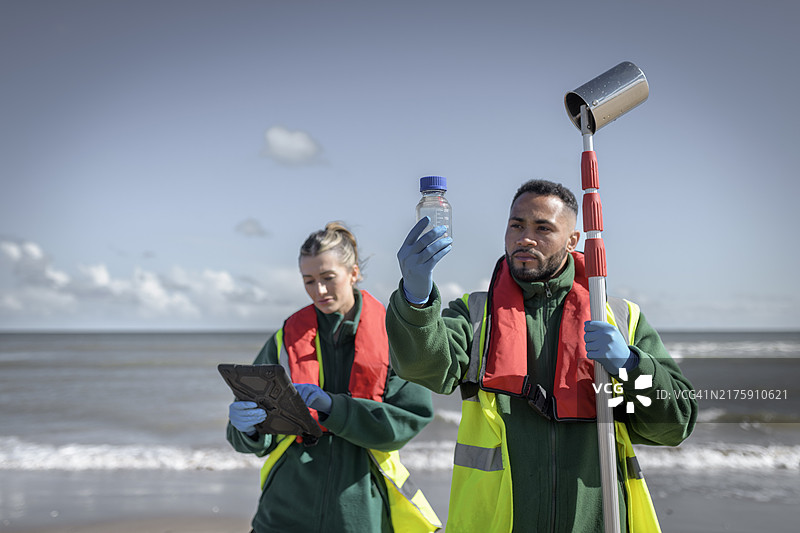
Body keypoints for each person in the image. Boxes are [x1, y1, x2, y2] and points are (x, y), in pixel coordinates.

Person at [385, 179, 697, 532]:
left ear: (573, 240)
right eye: (517, 225)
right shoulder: (474, 315)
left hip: (596, 521)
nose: (525, 238)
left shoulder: (620, 318)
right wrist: (416, 299)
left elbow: (674, 426)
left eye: (543, 228)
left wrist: (631, 366)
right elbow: (422, 366)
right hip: (498, 522)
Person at [227, 222, 441, 533]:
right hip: (282, 512)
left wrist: (334, 408)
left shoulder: (394, 337)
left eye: (328, 278)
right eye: (309, 281)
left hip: (359, 513)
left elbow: (407, 421)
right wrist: (246, 429)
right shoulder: (284, 339)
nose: (319, 291)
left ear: (354, 273)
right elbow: (253, 441)